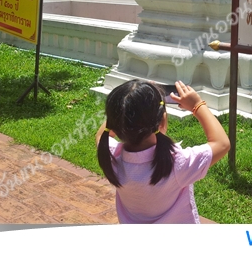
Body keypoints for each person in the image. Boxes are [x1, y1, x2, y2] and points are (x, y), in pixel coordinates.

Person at [96, 79, 230, 223]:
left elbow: (101, 135)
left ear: (114, 125)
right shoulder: (178, 163)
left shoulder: (111, 157)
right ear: (162, 122)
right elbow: (222, 143)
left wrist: (123, 108)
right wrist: (197, 105)